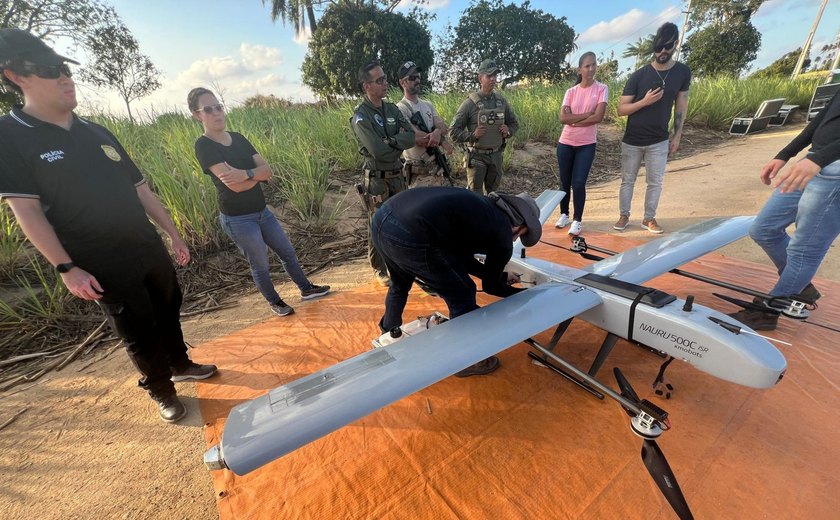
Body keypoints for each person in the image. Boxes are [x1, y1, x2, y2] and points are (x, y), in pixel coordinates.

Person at [0, 29, 216, 424]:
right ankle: (161, 389)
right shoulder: (11, 136)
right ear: (16, 76)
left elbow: (141, 189)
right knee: (135, 323)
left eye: (65, 69)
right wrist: (66, 267)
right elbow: (26, 210)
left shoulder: (97, 132)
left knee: (168, 307)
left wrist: (172, 233)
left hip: (145, 242)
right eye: (50, 71)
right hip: (97, 256)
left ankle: (180, 363)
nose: (65, 78)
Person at [189, 87, 330, 317]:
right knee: (260, 265)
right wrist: (255, 174)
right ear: (197, 115)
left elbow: (267, 170)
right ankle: (275, 301)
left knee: (287, 252)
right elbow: (233, 186)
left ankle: (306, 289)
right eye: (208, 109)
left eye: (218, 106)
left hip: (262, 212)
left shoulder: (239, 138)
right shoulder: (204, 145)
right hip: (238, 219)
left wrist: (246, 174)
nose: (216, 113)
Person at [371, 187, 541, 377]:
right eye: (522, 234)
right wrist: (527, 296)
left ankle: (388, 333)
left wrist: (500, 276)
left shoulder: (482, 209)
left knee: (400, 283)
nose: (517, 238)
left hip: (382, 220)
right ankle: (465, 360)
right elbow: (490, 287)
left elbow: (462, 259)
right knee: (463, 291)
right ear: (519, 225)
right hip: (413, 232)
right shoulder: (502, 234)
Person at [728, 89, 840, 331]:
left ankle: (769, 312)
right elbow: (822, 119)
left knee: (804, 250)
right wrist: (785, 154)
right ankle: (799, 287)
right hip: (813, 161)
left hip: (833, 171)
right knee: (763, 229)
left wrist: (822, 158)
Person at [614, 22, 690, 234]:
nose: (662, 52)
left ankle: (649, 218)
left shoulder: (682, 72)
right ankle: (624, 215)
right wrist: (644, 102)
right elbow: (622, 109)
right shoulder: (639, 75)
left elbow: (681, 105)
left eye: (667, 47)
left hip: (659, 139)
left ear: (675, 43)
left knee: (655, 181)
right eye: (658, 48)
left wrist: (677, 135)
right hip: (632, 139)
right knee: (627, 180)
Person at [350, 60, 415, 286]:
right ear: (366, 86)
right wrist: (395, 144)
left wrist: (390, 141)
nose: (385, 83)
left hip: (398, 175)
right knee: (377, 223)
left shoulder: (392, 109)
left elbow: (411, 136)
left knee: (402, 221)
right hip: (377, 180)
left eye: (385, 78)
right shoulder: (361, 116)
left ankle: (403, 263)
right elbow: (377, 152)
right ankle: (379, 268)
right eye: (379, 80)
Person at [554, 52, 608, 236]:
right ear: (580, 69)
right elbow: (563, 117)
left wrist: (574, 119)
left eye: (593, 65)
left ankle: (577, 220)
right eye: (587, 66)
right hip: (566, 142)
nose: (591, 69)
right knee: (564, 182)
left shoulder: (601, 89)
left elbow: (598, 117)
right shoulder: (571, 92)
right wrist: (587, 114)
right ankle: (564, 214)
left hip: (586, 144)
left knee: (578, 182)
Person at [449, 59, 519, 194]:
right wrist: (472, 135)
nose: (493, 79)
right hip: (477, 158)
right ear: (480, 78)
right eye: (489, 76)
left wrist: (508, 131)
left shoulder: (501, 101)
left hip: (496, 156)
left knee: (494, 196)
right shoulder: (469, 104)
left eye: (495, 75)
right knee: (475, 198)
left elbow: (514, 123)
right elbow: (453, 132)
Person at [395, 60, 455, 187]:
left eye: (418, 77)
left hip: (437, 169)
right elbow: (417, 137)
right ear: (402, 82)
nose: (417, 80)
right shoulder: (400, 109)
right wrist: (441, 141)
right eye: (412, 78)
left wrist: (438, 132)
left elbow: (443, 127)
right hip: (418, 175)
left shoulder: (428, 105)